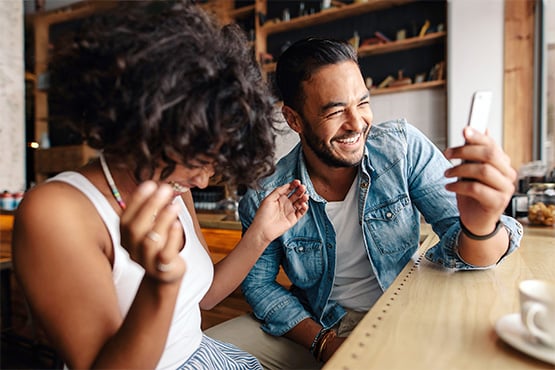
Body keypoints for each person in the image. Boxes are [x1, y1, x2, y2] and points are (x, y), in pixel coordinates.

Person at [11, 2, 309, 369]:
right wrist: (159, 284)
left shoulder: (172, 184)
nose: (201, 182)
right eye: (197, 161)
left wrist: (261, 233)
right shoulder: (58, 213)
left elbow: (205, 298)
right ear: (143, 125)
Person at [205, 37, 523, 369]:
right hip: (320, 322)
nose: (357, 124)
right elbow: (259, 285)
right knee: (198, 355)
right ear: (294, 119)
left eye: (362, 103)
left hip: (403, 311)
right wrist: (322, 341)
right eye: (335, 110)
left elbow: (473, 257)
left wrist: (482, 224)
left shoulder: (402, 149)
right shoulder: (267, 192)